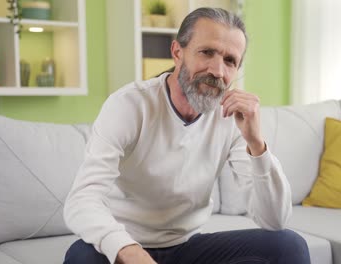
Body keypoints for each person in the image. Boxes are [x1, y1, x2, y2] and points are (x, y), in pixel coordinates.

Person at [63, 7, 310, 264]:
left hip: (187, 248)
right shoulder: (129, 105)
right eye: (207, 52)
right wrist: (128, 251)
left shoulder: (231, 118)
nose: (217, 70)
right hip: (126, 244)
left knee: (287, 246)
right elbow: (83, 199)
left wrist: (256, 144)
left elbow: (274, 220)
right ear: (177, 52)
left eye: (229, 61)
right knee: (82, 258)